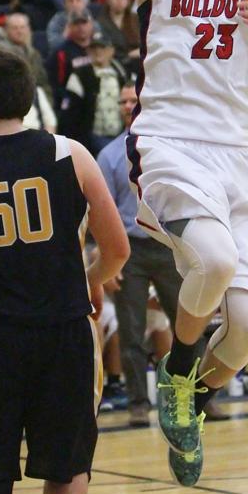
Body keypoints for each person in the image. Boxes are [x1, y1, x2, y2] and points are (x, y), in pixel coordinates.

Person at [78, 0, 248, 487]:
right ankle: (180, 364)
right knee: (216, 261)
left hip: (239, 155)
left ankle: (190, 400)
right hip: (171, 142)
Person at [0, 47, 130, 494]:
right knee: (67, 468)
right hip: (62, 332)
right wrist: (89, 278)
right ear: (29, 98)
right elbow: (116, 250)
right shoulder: (69, 153)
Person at [97, 82, 226, 426]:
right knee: (132, 329)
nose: (128, 105)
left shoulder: (168, 149)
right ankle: (139, 403)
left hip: (169, 244)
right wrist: (105, 259)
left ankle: (201, 398)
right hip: (130, 250)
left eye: (132, 99)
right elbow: (98, 211)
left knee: (190, 323)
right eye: (122, 101)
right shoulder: (109, 155)